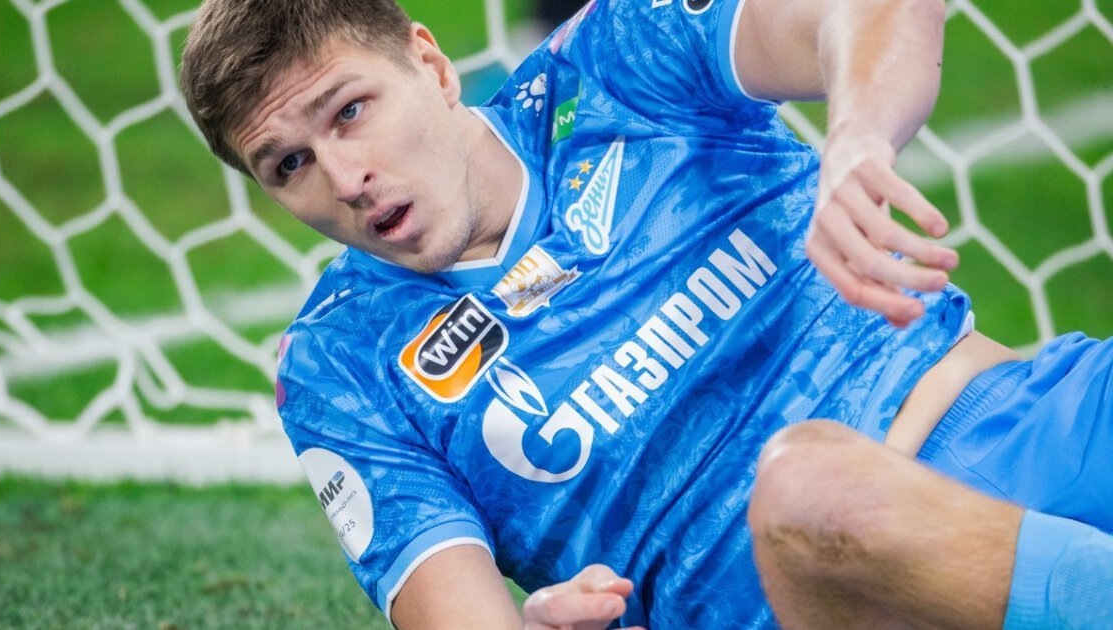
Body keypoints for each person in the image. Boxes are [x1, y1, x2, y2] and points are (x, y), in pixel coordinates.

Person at [179, 0, 1113, 627]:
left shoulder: (613, 66)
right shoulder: (339, 363)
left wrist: (859, 138)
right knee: (811, 488)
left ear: (429, 62)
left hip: (1024, 420)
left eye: (349, 111)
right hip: (808, 588)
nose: (345, 178)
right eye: (288, 165)